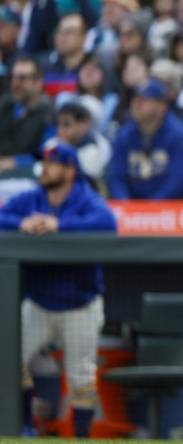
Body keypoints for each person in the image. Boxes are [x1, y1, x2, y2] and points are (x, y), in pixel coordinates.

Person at [0, 144, 116, 438]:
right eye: (44, 163)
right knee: (11, 361)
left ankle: (80, 437)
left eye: (53, 164)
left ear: (69, 170)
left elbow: (107, 223)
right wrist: (22, 223)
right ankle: (24, 427)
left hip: (80, 304)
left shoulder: (85, 197)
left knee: (81, 379)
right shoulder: (32, 198)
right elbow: (2, 216)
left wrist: (59, 225)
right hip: (39, 302)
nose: (45, 169)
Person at [108, 78, 183, 199]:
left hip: (174, 209)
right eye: (134, 99)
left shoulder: (180, 136)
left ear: (162, 106)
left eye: (144, 99)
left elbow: (180, 179)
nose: (136, 103)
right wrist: (126, 204)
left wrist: (152, 210)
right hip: (133, 210)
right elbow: (116, 176)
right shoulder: (124, 135)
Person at [0, 57, 53, 174]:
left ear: (38, 82)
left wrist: (16, 162)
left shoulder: (49, 115)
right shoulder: (5, 107)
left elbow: (50, 154)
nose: (15, 83)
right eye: (12, 78)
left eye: (22, 78)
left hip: (29, 176)